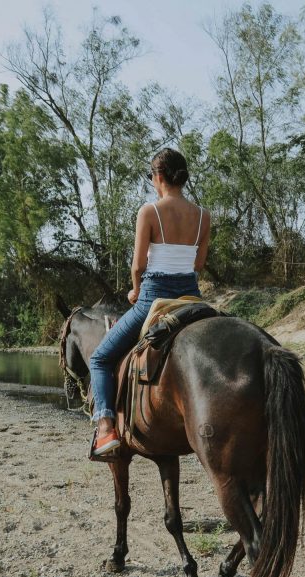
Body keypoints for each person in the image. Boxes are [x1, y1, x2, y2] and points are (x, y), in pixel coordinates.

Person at [88, 148, 211, 461]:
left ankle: (105, 429)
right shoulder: (202, 216)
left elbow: (137, 265)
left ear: (158, 177)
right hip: (191, 298)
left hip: (153, 297)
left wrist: (135, 290)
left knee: (101, 358)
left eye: (152, 177)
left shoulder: (149, 211)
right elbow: (197, 264)